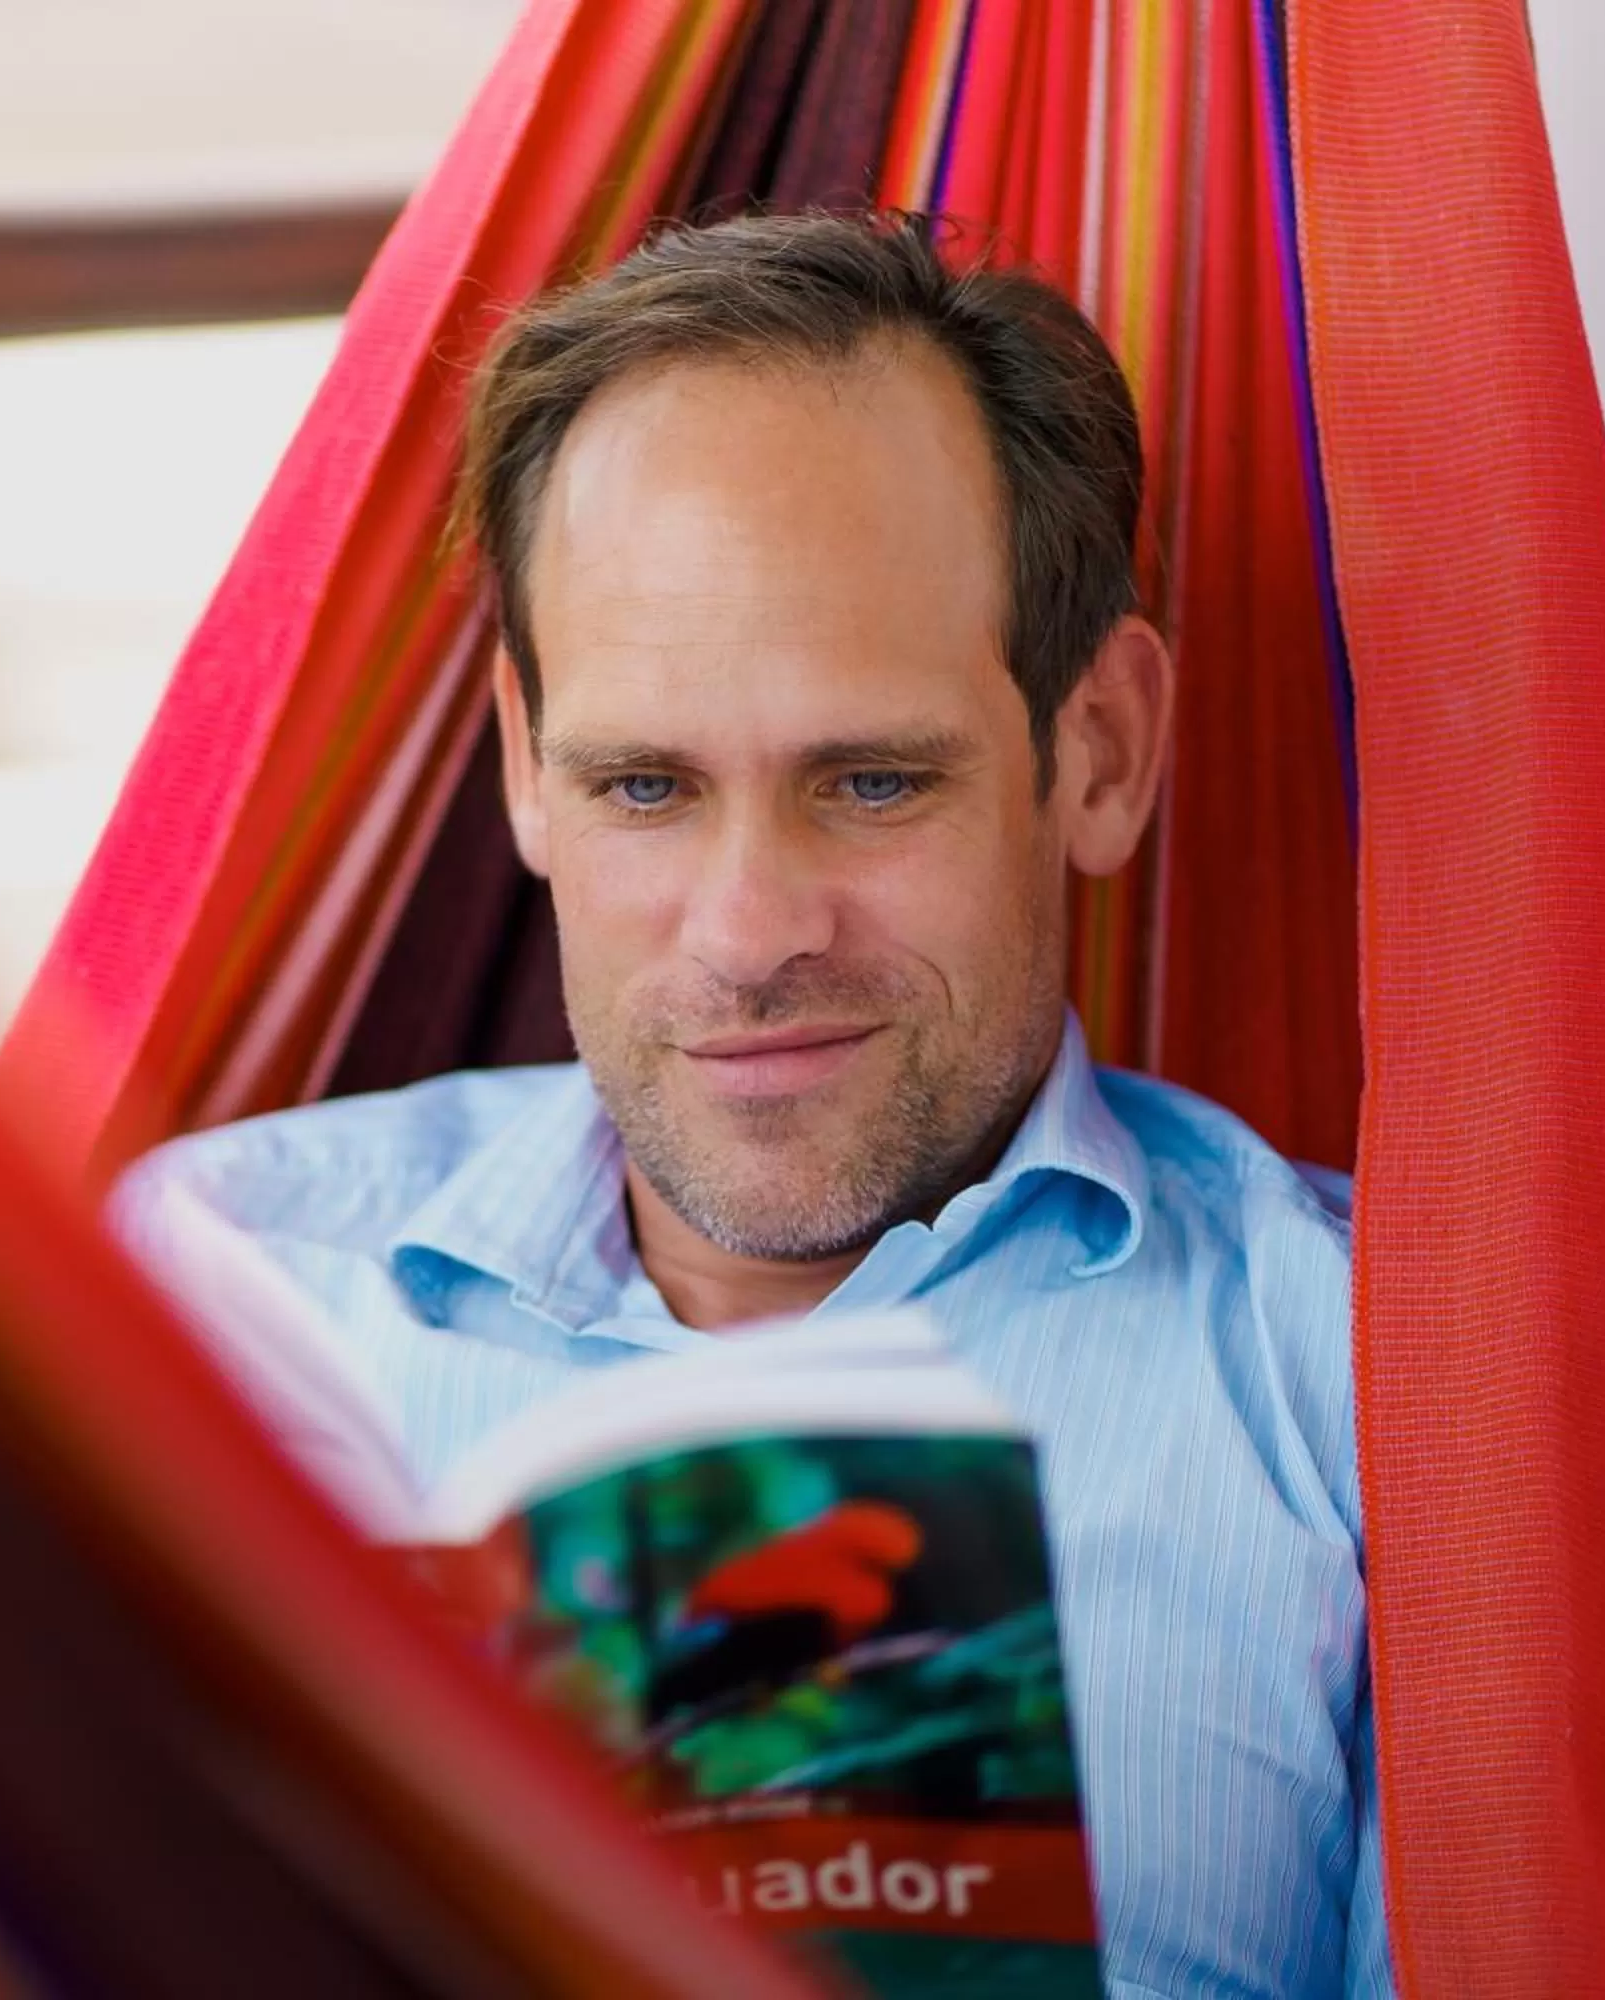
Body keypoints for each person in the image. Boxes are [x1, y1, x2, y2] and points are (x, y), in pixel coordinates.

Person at [112, 213, 1387, 2000]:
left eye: (870, 783)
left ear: (1097, 751)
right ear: (524, 774)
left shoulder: (1368, 1388)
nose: (750, 935)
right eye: (643, 786)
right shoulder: (210, 1284)